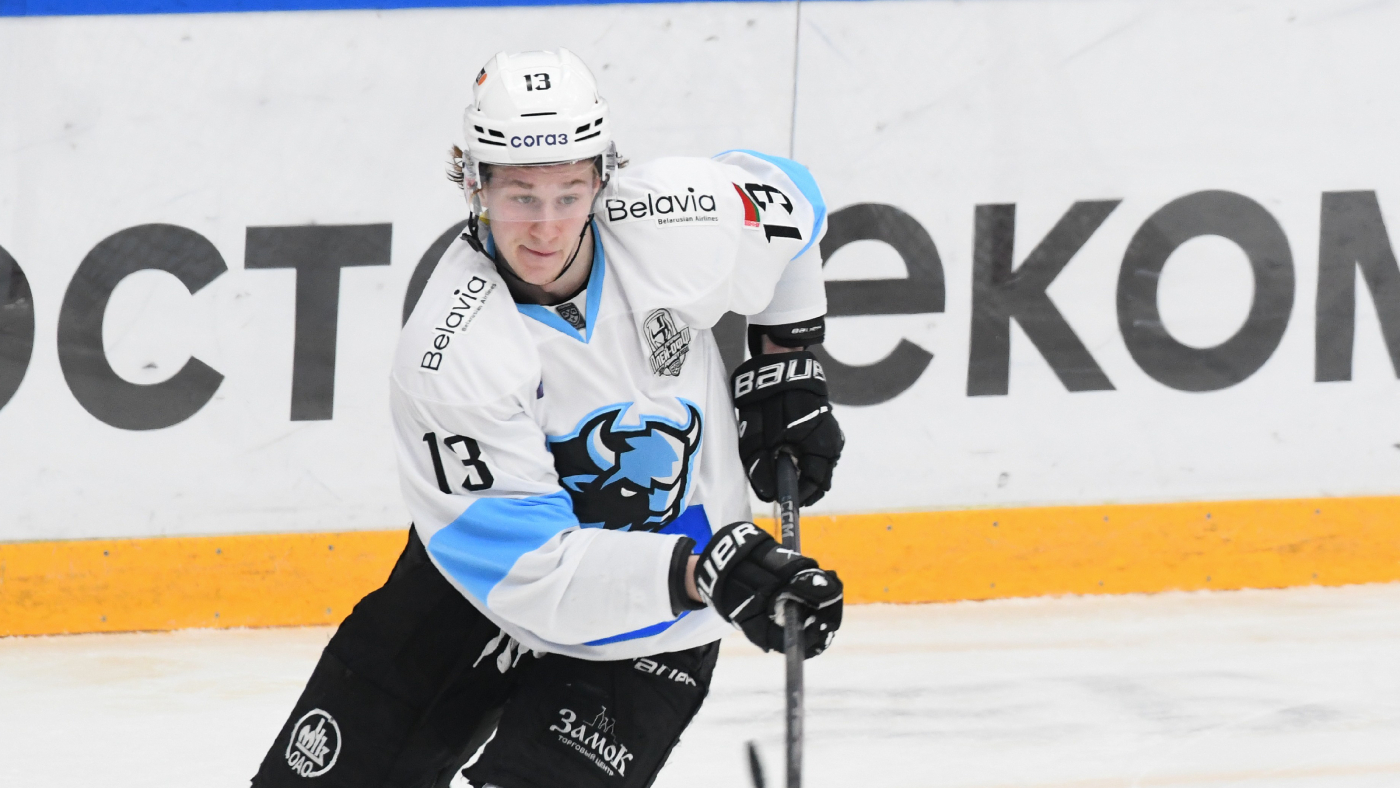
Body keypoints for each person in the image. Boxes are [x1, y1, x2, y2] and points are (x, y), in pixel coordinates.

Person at [252, 48, 845, 788]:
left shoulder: (675, 219)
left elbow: (795, 202)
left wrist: (786, 361)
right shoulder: (450, 353)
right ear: (475, 183)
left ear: (602, 177)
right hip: (476, 593)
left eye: (568, 194)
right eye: (520, 196)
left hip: (651, 632)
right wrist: (709, 573)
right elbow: (533, 572)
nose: (545, 228)